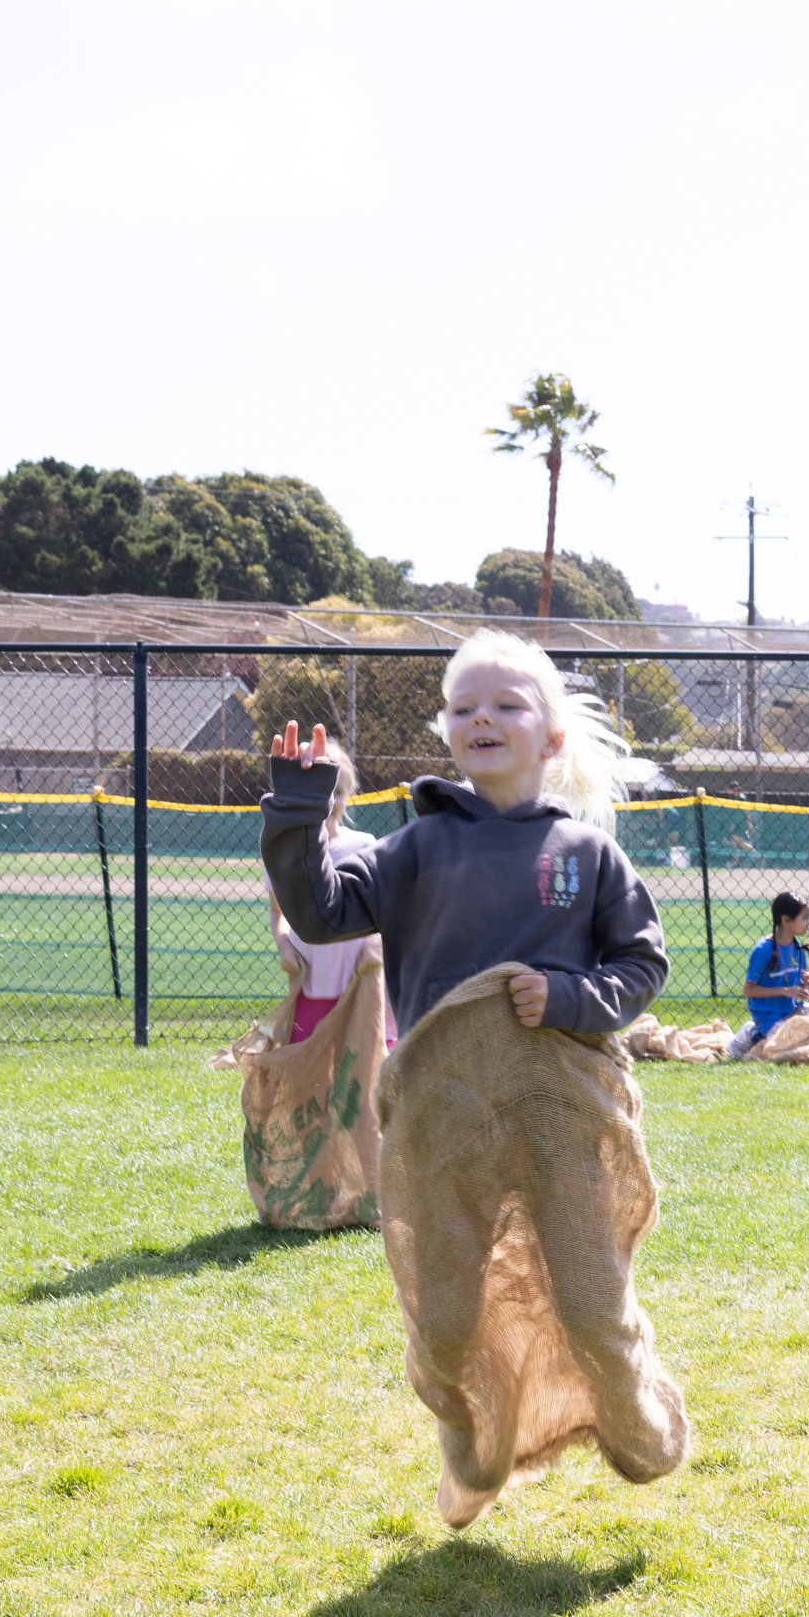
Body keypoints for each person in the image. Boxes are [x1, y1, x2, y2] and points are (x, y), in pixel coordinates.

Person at [263, 628, 684, 1525]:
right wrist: (297, 819)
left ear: (553, 737)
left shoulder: (585, 853)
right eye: (463, 707)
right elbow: (321, 907)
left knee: (587, 1296)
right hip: (440, 1120)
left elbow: (643, 966)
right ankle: (471, 1439)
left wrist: (572, 994)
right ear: (446, 731)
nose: (481, 718)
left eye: (506, 704)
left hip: (558, 1116)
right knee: (445, 1317)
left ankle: (638, 1408)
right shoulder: (416, 850)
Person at [270, 747, 393, 1050]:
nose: (327, 801)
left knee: (362, 1064)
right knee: (306, 1059)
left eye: (336, 791)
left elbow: (384, 912)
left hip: (360, 979)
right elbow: (278, 914)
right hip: (311, 980)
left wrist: (375, 946)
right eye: (317, 791)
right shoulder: (283, 853)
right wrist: (283, 944)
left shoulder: (365, 846)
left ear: (349, 794)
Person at [743, 891, 809, 1047]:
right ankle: (754, 1035)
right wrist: (784, 990)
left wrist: (805, 982)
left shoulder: (797, 949)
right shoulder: (764, 950)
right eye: (805, 918)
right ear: (786, 919)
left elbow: (794, 985)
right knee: (787, 1043)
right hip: (769, 1018)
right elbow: (749, 990)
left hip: (791, 1013)